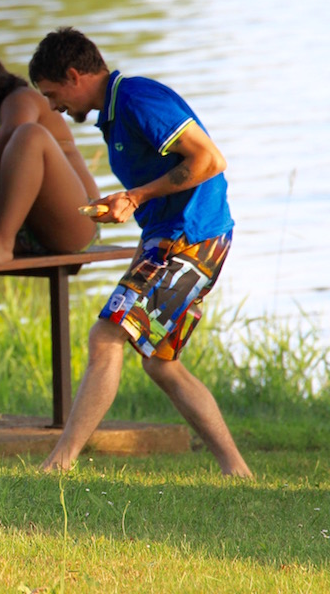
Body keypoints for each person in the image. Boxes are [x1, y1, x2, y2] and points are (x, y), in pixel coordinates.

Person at [28, 27, 251, 477]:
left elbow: (210, 160)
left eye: (53, 94)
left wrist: (134, 196)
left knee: (106, 336)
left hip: (193, 237)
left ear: (74, 75)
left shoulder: (136, 99)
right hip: (169, 239)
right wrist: (139, 226)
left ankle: (60, 463)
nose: (53, 106)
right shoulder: (114, 114)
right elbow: (160, 199)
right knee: (161, 365)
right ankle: (237, 471)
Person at [0, 45, 100, 267]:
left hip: (75, 219)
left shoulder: (21, 98)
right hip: (27, 226)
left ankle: (2, 240)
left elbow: (10, 136)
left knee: (29, 134)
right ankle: (2, 237)